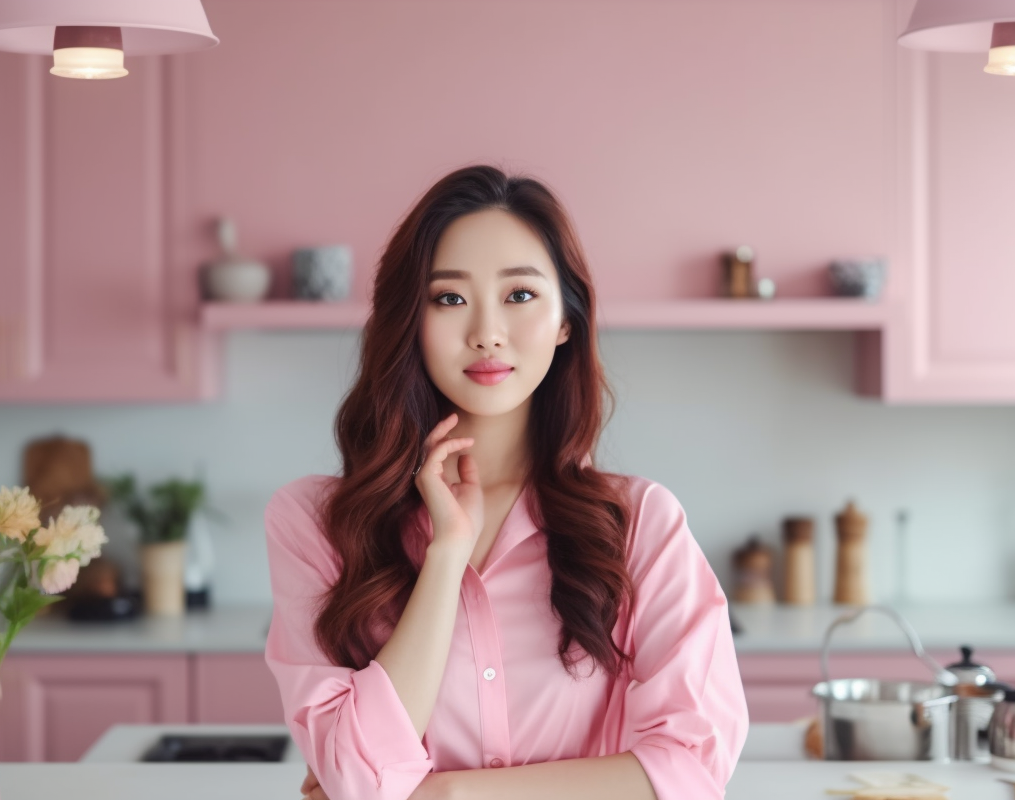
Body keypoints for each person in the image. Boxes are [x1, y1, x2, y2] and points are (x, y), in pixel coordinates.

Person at [263, 165, 748, 800]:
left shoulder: (640, 523)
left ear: (567, 320)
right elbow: (356, 776)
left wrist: (445, 794)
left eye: (519, 296)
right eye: (449, 298)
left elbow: (692, 765)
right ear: (410, 320)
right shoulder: (314, 523)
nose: (486, 332)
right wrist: (445, 556)